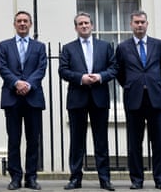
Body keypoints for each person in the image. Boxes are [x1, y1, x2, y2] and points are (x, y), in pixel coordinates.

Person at [58, 12, 116, 191]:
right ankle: (75, 178)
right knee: (77, 141)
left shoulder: (105, 46)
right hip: (77, 98)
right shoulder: (68, 48)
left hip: (99, 98)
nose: (84, 26)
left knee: (101, 141)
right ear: (75, 27)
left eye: (87, 23)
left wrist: (100, 76)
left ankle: (104, 179)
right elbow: (63, 71)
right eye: (80, 24)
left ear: (92, 26)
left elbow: (114, 68)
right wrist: (81, 78)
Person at [116, 10, 161, 191]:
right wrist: (135, 85)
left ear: (147, 24)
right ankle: (137, 180)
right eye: (136, 22)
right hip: (134, 99)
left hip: (156, 99)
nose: (140, 25)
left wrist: (150, 84)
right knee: (134, 144)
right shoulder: (123, 47)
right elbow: (121, 74)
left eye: (142, 22)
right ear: (130, 25)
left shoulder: (160, 45)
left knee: (158, 142)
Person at [0, 10, 46, 191]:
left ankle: (31, 177)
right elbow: (2, 67)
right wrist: (17, 83)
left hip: (33, 98)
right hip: (12, 98)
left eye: (25, 21)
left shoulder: (39, 47)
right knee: (14, 140)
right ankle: (15, 177)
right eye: (19, 21)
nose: (22, 24)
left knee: (33, 140)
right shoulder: (4, 46)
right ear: (14, 24)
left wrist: (28, 84)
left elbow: (41, 69)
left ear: (30, 24)